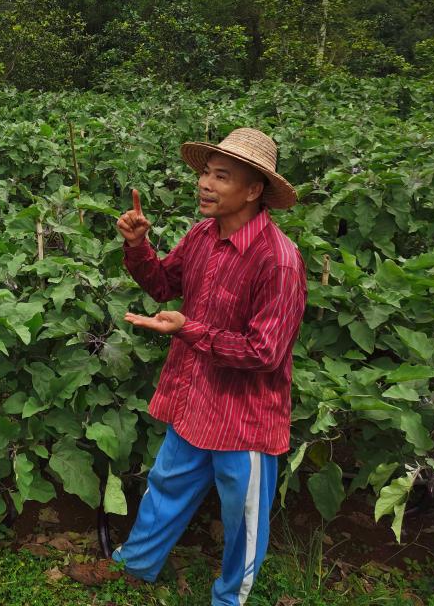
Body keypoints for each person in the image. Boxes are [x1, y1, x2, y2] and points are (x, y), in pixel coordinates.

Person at [112, 127, 307, 605]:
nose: (205, 184)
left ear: (254, 189)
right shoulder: (202, 234)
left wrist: (188, 331)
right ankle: (135, 566)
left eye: (221, 176)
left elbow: (265, 353)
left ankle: (229, 599)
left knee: (243, 515)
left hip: (244, 417)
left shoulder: (278, 261)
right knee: (166, 484)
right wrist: (138, 246)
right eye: (205, 172)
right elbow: (162, 285)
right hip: (195, 398)